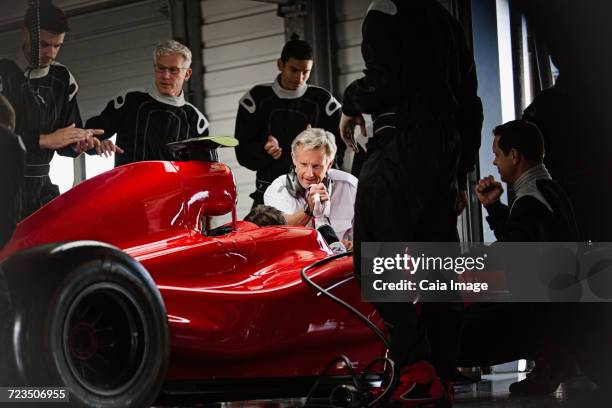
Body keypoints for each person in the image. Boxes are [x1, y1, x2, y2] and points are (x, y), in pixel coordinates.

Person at [339, 0, 484, 405]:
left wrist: (352, 103)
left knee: (372, 257)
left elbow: (389, 78)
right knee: (438, 266)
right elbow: (471, 105)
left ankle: (416, 369)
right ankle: (440, 373)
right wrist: (459, 174)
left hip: (401, 140)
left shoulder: (385, 9)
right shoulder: (448, 22)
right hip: (445, 152)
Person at [459, 120, 579, 395]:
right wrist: (494, 208)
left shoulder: (530, 199)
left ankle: (551, 357)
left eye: (497, 154)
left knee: (457, 327)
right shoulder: (546, 188)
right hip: (559, 306)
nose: (494, 161)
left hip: (544, 311)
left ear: (514, 156)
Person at [0, 1, 105, 220]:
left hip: (42, 190)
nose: (51, 53)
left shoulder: (63, 79)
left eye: (57, 46)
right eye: (44, 45)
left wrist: (79, 144)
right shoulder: (3, 76)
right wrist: (44, 140)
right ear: (25, 34)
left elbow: (64, 144)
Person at [235, 35, 346, 208]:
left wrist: (317, 147)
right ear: (280, 64)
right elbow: (242, 153)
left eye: (306, 72)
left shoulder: (324, 102)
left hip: (314, 195)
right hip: (268, 194)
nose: (300, 78)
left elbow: (338, 153)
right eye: (294, 70)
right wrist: (264, 150)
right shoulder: (255, 100)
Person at [86, 40, 209, 166]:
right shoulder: (129, 101)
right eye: (161, 68)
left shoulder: (196, 121)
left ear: (187, 74)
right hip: (129, 184)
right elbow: (87, 136)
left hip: (172, 186)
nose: (165, 76)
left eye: (173, 70)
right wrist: (98, 144)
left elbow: (202, 171)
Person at [264, 128, 356, 252]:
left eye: (316, 166)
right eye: (304, 164)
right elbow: (281, 231)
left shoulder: (351, 187)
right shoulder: (277, 190)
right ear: (294, 159)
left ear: (329, 164)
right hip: (299, 267)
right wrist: (309, 209)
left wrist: (355, 249)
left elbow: (375, 236)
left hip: (342, 267)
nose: (310, 174)